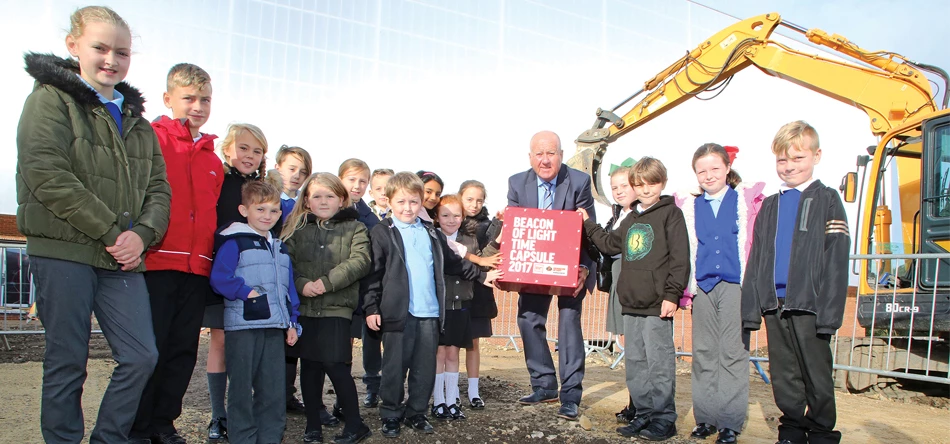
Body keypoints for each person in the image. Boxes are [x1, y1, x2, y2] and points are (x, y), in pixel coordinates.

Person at [16, 6, 171, 443]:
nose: (111, 60)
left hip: (122, 259)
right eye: (100, 48)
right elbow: (46, 173)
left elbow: (159, 190)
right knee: (68, 359)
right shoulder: (49, 99)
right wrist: (112, 232)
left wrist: (140, 236)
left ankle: (109, 438)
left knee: (141, 355)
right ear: (73, 46)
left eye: (121, 52)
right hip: (64, 249)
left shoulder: (137, 122)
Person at [363, 172, 499, 438]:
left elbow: (454, 263)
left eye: (413, 202)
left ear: (421, 203)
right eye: (401, 202)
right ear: (390, 201)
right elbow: (373, 275)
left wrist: (482, 275)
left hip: (429, 314)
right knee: (394, 368)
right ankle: (391, 413)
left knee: (424, 368)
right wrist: (371, 308)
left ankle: (416, 412)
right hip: (397, 314)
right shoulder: (382, 232)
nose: (407, 207)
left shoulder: (430, 232)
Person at [741, 121, 850, 444]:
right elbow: (757, 257)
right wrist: (751, 308)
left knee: (815, 371)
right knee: (784, 371)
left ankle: (820, 428)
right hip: (775, 304)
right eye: (782, 160)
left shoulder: (827, 200)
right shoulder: (770, 206)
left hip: (810, 304)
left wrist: (830, 313)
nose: (789, 167)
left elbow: (836, 257)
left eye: (797, 159)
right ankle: (791, 426)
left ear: (816, 156)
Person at [131, 63, 222, 444]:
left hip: (196, 267)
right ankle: (136, 426)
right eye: (189, 98)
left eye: (205, 99)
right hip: (156, 260)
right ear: (168, 99)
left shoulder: (214, 160)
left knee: (183, 351)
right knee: (149, 350)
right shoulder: (151, 141)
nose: (197, 106)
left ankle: (164, 423)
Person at [581, 157, 689, 441]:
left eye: (651, 184)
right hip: (631, 303)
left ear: (662, 183)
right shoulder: (631, 218)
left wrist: (672, 294)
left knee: (659, 363)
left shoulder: (671, 214)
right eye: (639, 184)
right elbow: (608, 243)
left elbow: (680, 259)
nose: (645, 189)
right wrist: (588, 224)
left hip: (657, 304)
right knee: (637, 363)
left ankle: (664, 419)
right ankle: (642, 414)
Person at [674, 144, 765, 444]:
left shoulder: (745, 201)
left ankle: (730, 422)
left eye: (715, 168)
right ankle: (706, 419)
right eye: (702, 170)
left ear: (727, 168)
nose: (708, 175)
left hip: (734, 287)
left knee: (732, 353)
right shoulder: (690, 207)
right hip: (703, 287)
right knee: (703, 354)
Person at [505, 130, 596, 421]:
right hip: (534, 266)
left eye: (551, 153)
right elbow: (516, 229)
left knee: (569, 324)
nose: (545, 160)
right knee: (528, 320)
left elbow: (588, 230)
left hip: (570, 269)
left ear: (561, 154)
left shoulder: (580, 181)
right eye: (539, 154)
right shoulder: (517, 183)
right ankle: (544, 385)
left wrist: (583, 267)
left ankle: (570, 396)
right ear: (531, 157)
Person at [283, 173, 373, 444]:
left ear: (342, 199)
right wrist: (300, 284)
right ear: (307, 200)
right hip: (306, 308)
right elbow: (286, 262)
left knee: (335, 365)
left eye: (330, 196)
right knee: (309, 367)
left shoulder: (355, 228)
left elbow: (359, 261)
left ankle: (356, 424)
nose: (323, 201)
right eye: (317, 196)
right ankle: (313, 425)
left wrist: (325, 283)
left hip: (336, 308)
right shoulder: (297, 229)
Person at [210, 180, 301, 444]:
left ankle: (270, 437)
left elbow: (288, 290)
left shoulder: (280, 247)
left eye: (274, 211)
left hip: (274, 328)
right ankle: (243, 438)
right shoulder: (233, 242)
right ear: (244, 209)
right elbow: (220, 278)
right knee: (240, 389)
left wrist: (292, 322)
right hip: (243, 327)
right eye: (260, 209)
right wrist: (246, 292)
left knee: (273, 389)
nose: (267, 216)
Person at [204, 122, 268, 443]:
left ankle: (249, 410)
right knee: (221, 342)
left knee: (253, 346)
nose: (250, 155)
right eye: (243, 148)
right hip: (223, 274)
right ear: (228, 149)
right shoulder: (219, 183)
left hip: (257, 276)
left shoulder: (264, 188)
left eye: (256, 151)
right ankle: (219, 414)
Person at [431, 194, 503, 421]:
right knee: (439, 354)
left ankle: (452, 401)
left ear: (463, 217)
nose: (451, 220)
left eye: (456, 215)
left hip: (461, 305)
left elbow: (484, 257)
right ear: (436, 217)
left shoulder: (470, 240)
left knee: (453, 353)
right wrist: (480, 271)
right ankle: (438, 400)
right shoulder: (432, 238)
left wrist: (499, 235)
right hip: (438, 306)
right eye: (445, 215)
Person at [457, 180, 501, 409]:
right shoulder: (448, 222)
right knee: (451, 345)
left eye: (479, 200)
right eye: (469, 199)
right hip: (453, 292)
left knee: (473, 344)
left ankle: (473, 391)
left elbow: (490, 256)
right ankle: (451, 390)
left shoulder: (489, 225)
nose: (474, 204)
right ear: (460, 197)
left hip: (478, 293)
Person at [600, 165, 639, 424]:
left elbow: (610, 244)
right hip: (618, 278)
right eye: (614, 187)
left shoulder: (636, 216)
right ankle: (635, 401)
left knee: (638, 347)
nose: (619, 191)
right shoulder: (616, 216)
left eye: (624, 185)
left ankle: (640, 404)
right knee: (630, 345)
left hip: (632, 281)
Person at [361, 168, 394, 407]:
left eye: (388, 188)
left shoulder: (402, 216)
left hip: (394, 290)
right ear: (371, 191)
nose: (383, 193)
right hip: (370, 287)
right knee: (371, 342)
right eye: (378, 188)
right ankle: (372, 386)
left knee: (394, 343)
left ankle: (390, 388)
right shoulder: (364, 215)